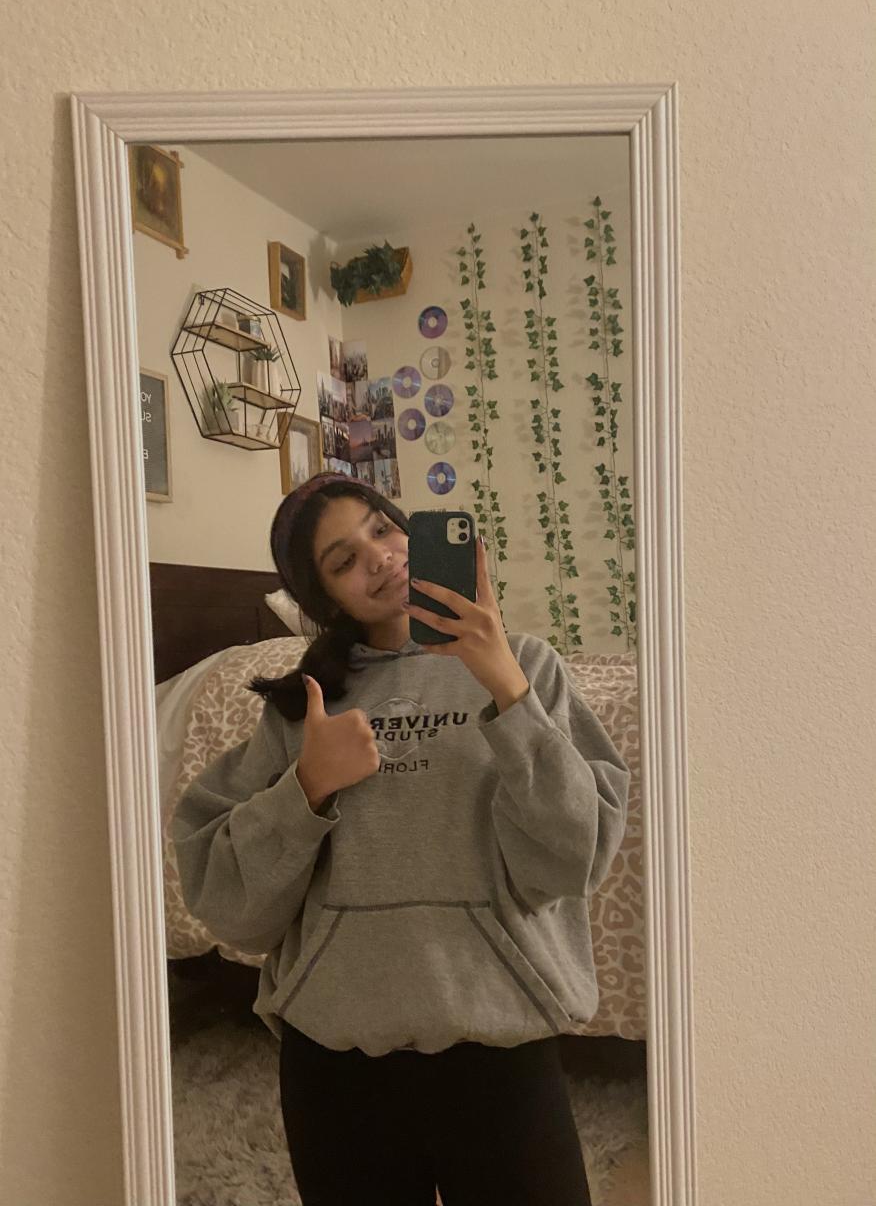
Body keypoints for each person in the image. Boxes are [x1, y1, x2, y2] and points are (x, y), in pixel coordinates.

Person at [172, 473, 631, 1206]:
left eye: (382, 530)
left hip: (499, 1043)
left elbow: (574, 858)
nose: (380, 558)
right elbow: (230, 905)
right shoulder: (302, 707)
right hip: (337, 1062)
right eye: (344, 560)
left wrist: (505, 686)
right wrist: (307, 787)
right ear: (326, 600)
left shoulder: (530, 667)